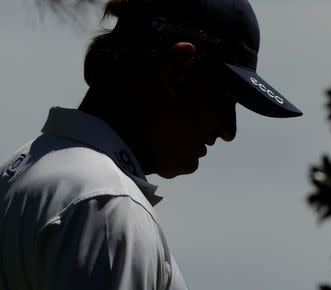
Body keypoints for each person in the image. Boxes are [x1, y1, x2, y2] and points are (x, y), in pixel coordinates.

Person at [0, 0, 302, 289]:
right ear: (177, 71)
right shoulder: (109, 206)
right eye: (226, 99)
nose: (229, 129)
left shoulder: (20, 170)